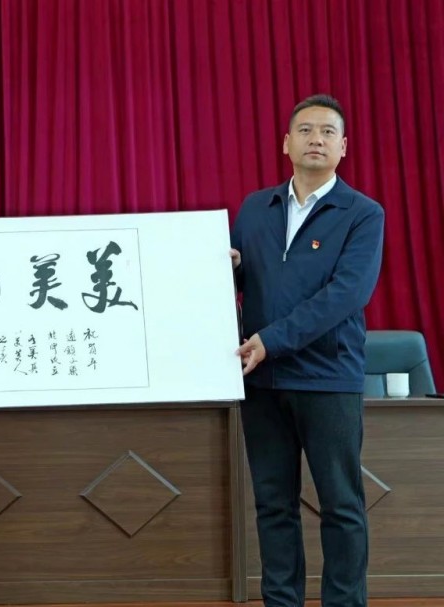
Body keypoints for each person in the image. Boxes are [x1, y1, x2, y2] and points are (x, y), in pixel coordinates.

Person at [230, 94, 384, 607]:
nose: (316, 139)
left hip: (327, 379)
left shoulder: (363, 213)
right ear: (286, 143)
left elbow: (346, 294)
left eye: (327, 132)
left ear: (343, 147)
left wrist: (271, 341)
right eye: (305, 130)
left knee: (341, 505)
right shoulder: (256, 208)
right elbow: (243, 281)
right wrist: (226, 267)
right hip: (261, 381)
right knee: (273, 505)